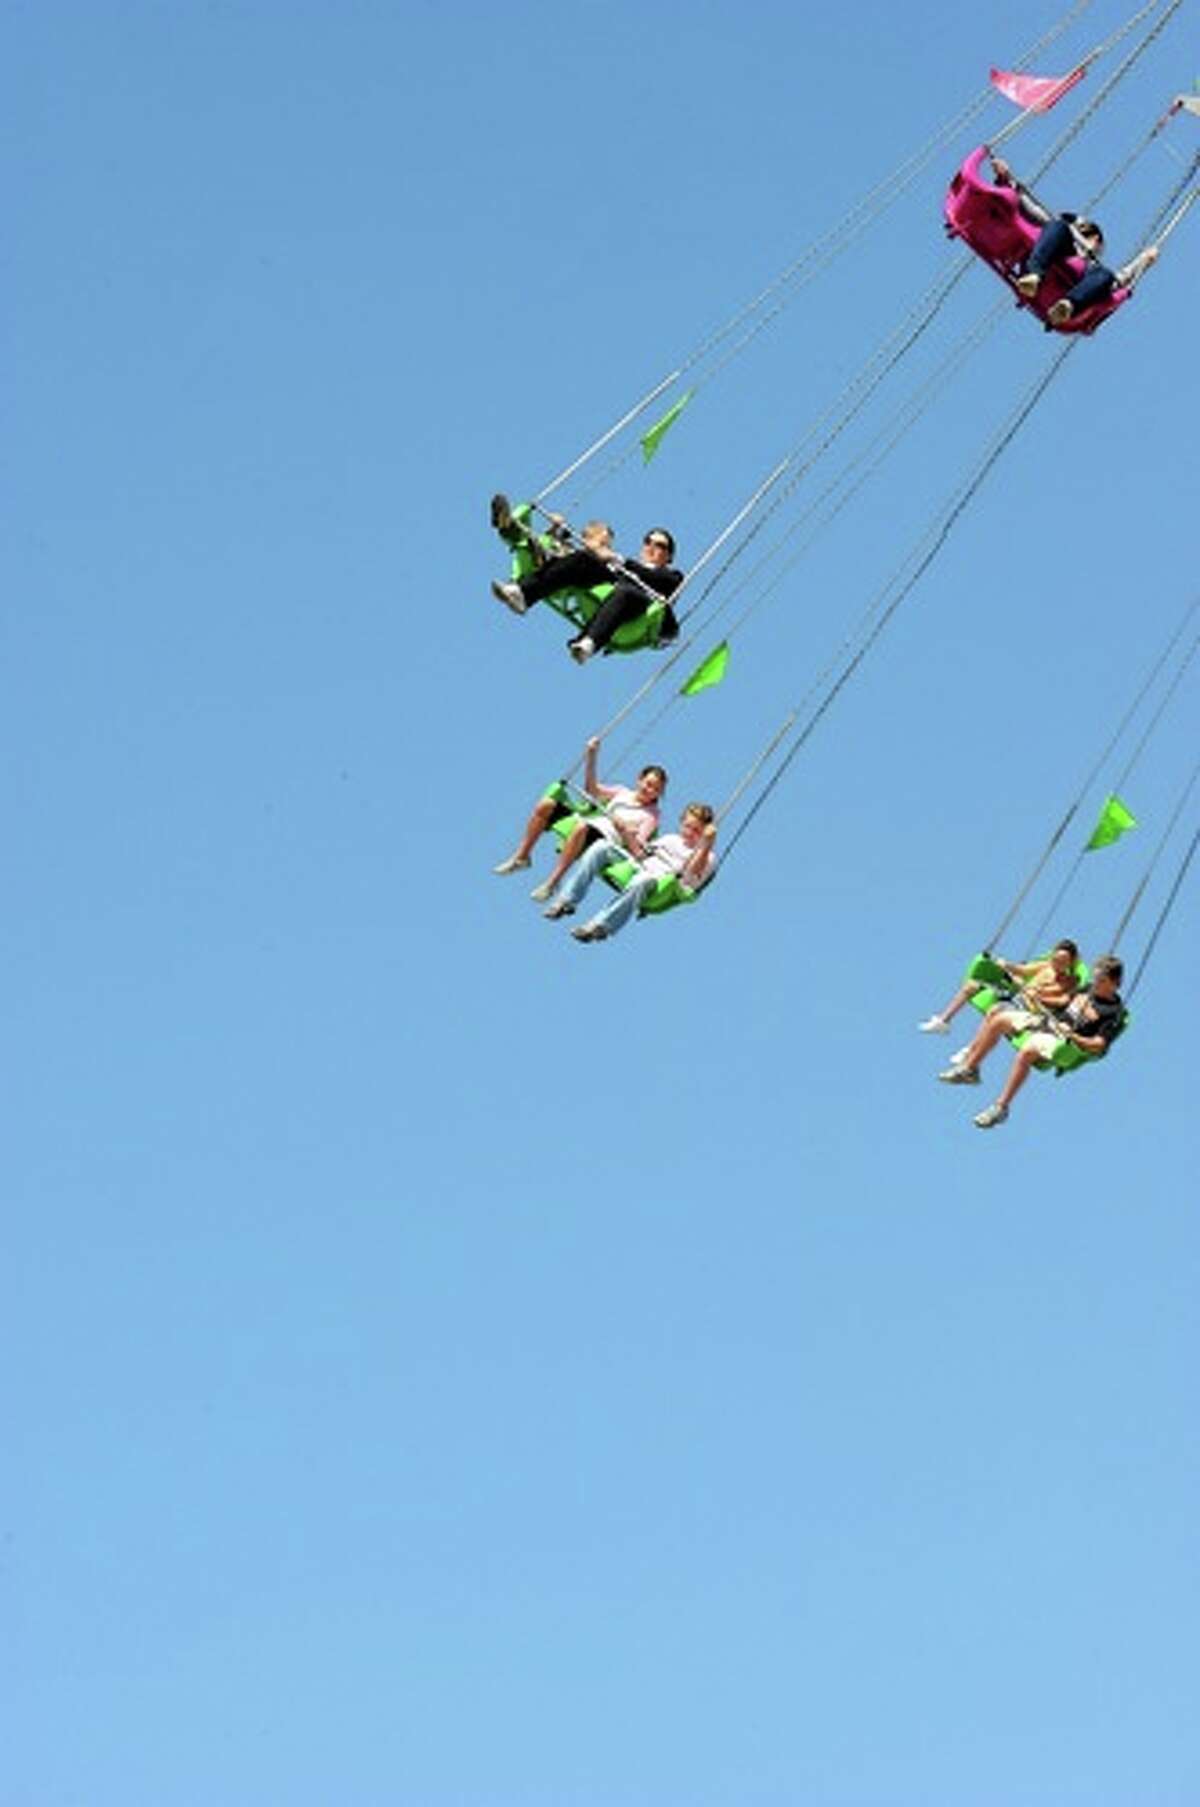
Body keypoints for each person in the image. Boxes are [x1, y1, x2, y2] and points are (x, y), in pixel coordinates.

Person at [938, 953, 1125, 1129]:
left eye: (1102, 981)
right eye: (1096, 978)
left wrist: (1073, 1037)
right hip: (1047, 1022)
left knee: (1028, 1050)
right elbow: (1063, 1000)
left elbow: (1099, 1045)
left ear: (1115, 983)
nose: (1096, 984)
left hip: (1063, 1041)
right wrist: (1038, 996)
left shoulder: (1112, 1013)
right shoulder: (1087, 989)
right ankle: (970, 1069)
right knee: (999, 1019)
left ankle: (1000, 1107)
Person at [490, 495, 683, 660]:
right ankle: (523, 593)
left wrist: (617, 559)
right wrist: (557, 531)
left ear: (669, 556)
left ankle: (589, 642)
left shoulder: (672, 575)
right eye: (648, 541)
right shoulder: (620, 565)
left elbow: (654, 580)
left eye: (659, 545)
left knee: (626, 591)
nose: (651, 547)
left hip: (636, 608)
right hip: (607, 588)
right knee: (584, 558)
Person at [990, 153, 1159, 326]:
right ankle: (1034, 276)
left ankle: (1068, 305)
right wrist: (1008, 180)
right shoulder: (1062, 232)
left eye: (1090, 236)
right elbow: (1030, 209)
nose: (1087, 238)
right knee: (1057, 226)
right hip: (1055, 256)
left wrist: (1144, 260)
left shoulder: (1095, 269)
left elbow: (1122, 278)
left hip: (1078, 283)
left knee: (1107, 276)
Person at [493, 736, 667, 903]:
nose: (649, 789)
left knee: (581, 827)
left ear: (658, 794)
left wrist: (625, 829)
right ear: (639, 780)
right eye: (648, 783)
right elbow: (591, 790)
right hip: (591, 822)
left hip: (605, 839)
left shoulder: (651, 816)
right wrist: (591, 756)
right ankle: (522, 857)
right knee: (546, 804)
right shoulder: (622, 792)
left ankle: (552, 883)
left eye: (655, 789)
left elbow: (637, 848)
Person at [540, 801, 718, 942]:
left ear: (703, 831)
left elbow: (690, 874)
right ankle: (567, 900)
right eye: (687, 826)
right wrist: (626, 832)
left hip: (659, 883)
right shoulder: (670, 838)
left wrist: (706, 844)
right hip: (638, 866)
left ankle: (601, 926)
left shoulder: (708, 856)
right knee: (601, 847)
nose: (689, 832)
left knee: (642, 880)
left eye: (696, 830)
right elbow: (640, 854)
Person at [918, 939, 1080, 1035]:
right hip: (1017, 994)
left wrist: (1035, 992)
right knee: (971, 986)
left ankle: (973, 1049)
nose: (1057, 964)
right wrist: (1005, 965)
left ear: (1071, 962)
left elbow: (1059, 997)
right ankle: (943, 1021)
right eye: (1055, 959)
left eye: (1062, 961)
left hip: (1029, 1007)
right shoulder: (1045, 966)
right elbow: (1022, 971)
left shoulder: (1070, 980)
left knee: (995, 1010)